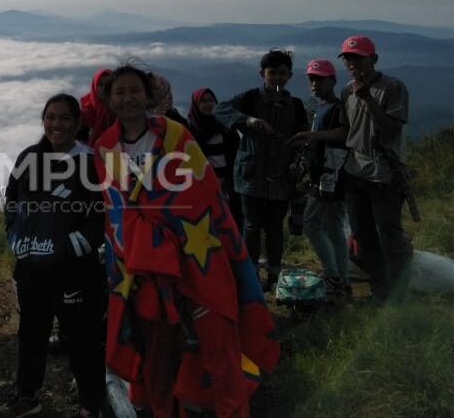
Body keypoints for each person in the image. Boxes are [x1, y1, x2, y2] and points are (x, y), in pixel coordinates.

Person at [95, 66, 279, 418]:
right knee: (158, 355)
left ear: (149, 96)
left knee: (218, 347)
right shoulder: (104, 148)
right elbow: (116, 216)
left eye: (135, 90)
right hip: (144, 270)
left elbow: (204, 195)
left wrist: (162, 231)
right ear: (109, 99)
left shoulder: (177, 136)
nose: (128, 98)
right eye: (119, 92)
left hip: (199, 260)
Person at [0, 94, 106, 418]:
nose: (56, 124)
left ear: (77, 123)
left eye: (63, 118)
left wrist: (67, 249)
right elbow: (12, 201)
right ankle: (27, 396)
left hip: (75, 270)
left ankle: (91, 405)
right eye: (50, 117)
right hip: (31, 266)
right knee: (31, 333)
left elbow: (99, 217)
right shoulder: (29, 157)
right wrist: (15, 238)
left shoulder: (91, 161)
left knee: (82, 340)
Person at [292, 36, 412, 303]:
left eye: (357, 57)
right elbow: (346, 131)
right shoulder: (347, 90)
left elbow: (393, 128)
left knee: (389, 235)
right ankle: (380, 291)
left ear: (374, 59)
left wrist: (368, 99)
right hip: (355, 173)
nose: (352, 62)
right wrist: (314, 136)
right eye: (347, 58)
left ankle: (398, 295)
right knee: (363, 235)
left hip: (384, 175)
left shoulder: (392, 87)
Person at [214, 49, 308, 292]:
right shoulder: (251, 98)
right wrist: (248, 121)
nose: (277, 78)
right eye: (272, 73)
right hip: (250, 175)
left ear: (289, 75)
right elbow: (220, 109)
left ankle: (274, 276)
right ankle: (251, 274)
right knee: (252, 226)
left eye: (282, 73)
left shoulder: (295, 106)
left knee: (275, 227)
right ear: (262, 74)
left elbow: (302, 140)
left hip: (280, 176)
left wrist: (298, 163)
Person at [287, 60, 351, 300]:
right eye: (311, 78)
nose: (315, 83)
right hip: (324, 176)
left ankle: (333, 276)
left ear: (333, 80)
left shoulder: (337, 107)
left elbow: (345, 132)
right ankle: (341, 279)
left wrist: (313, 135)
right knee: (333, 228)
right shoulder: (322, 107)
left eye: (320, 79)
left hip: (332, 176)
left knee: (312, 224)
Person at [186, 87, 242, 230]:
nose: (208, 104)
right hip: (202, 189)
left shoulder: (226, 128)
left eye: (211, 100)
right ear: (196, 105)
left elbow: (237, 157)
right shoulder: (190, 133)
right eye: (203, 101)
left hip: (230, 187)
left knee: (232, 226)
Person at [79, 67, 114, 144]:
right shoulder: (86, 112)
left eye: (108, 85)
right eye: (100, 85)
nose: (104, 88)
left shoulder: (120, 109)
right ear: (94, 86)